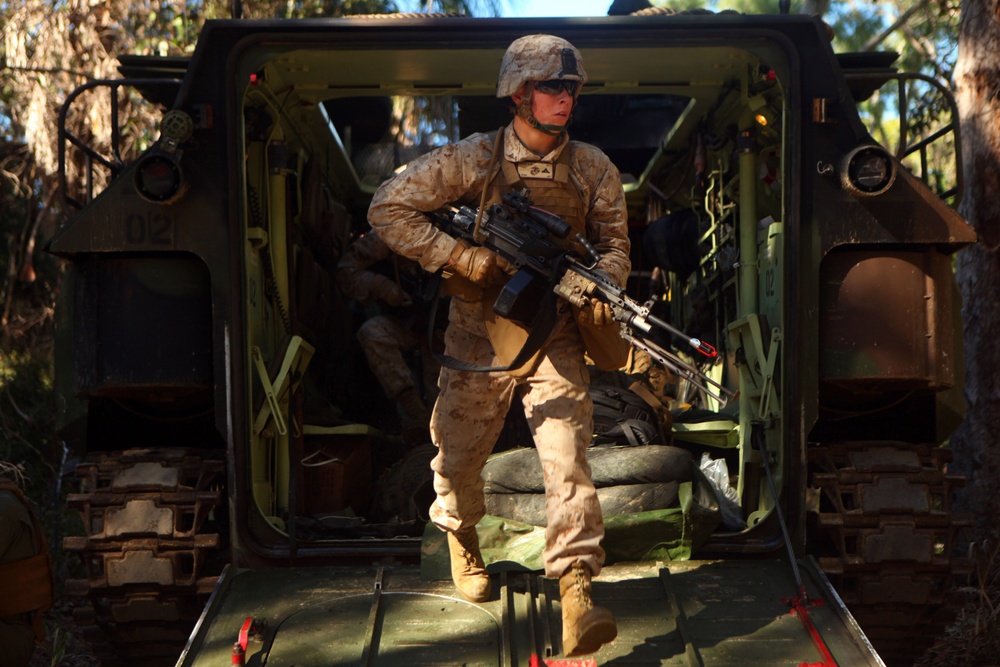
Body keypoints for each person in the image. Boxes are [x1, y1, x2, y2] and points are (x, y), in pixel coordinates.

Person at [368, 34, 630, 657]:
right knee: (458, 458)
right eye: (551, 87)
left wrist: (605, 287)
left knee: (567, 455)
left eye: (571, 88)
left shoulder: (594, 167)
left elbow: (617, 250)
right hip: (477, 332)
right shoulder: (473, 160)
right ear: (519, 94)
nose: (565, 98)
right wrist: (461, 256)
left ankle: (575, 592)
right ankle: (461, 534)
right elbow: (389, 207)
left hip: (556, 329)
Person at [336, 231, 438, 443]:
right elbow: (346, 271)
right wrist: (381, 286)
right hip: (405, 323)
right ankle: (415, 418)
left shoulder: (451, 233)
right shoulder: (389, 234)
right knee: (372, 333)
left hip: (444, 329)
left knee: (445, 410)